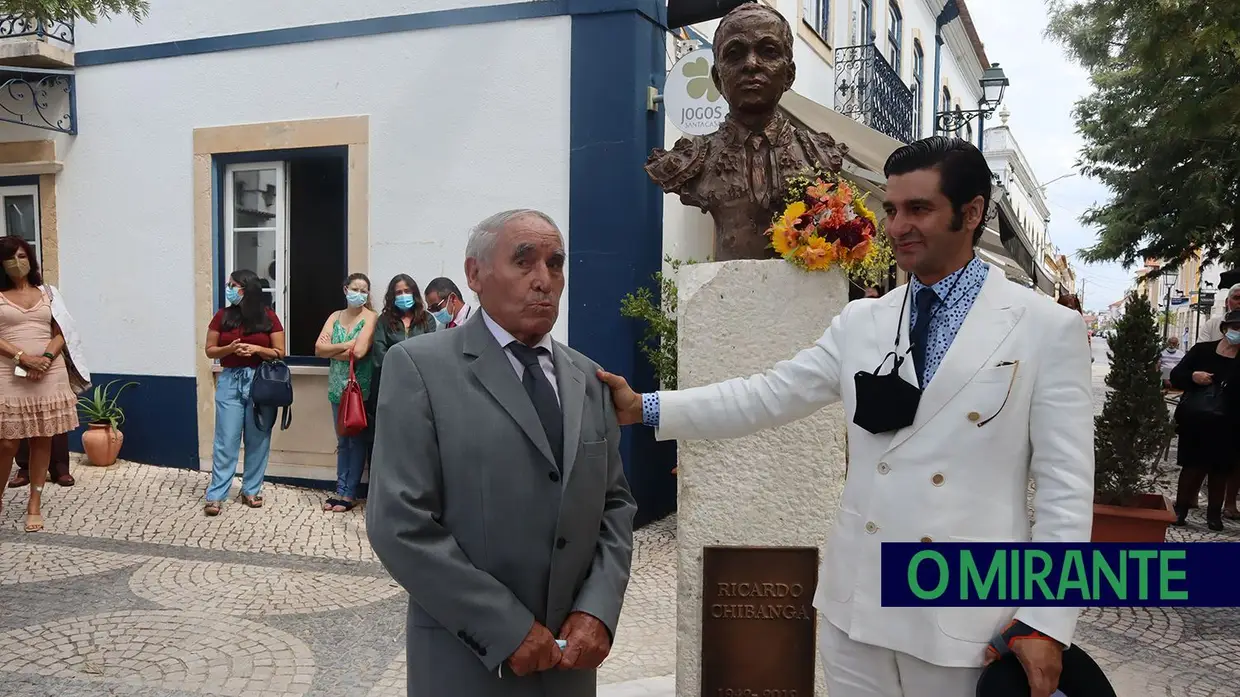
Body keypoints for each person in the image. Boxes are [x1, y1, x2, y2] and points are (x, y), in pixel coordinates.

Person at [599, 137, 1094, 697]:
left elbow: (1065, 491)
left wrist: (1046, 622)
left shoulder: (1043, 327)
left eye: (919, 209)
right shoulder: (864, 320)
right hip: (855, 609)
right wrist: (646, 408)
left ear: (972, 212)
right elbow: (767, 394)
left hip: (966, 621)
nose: (898, 225)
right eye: (891, 209)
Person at [366, 209, 637, 696]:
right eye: (524, 262)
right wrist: (504, 627)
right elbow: (400, 523)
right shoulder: (419, 368)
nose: (544, 281)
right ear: (474, 274)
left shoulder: (589, 379)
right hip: (466, 663)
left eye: (555, 264)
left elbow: (615, 506)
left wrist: (597, 609)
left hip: (569, 667)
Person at [0, 236, 83, 532]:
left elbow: (63, 329)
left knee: (42, 437)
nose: (17, 262)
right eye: (9, 257)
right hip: (9, 372)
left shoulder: (48, 292)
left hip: (49, 371)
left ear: (31, 259)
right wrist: (22, 357)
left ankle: (34, 503)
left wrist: (45, 357)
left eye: (22, 255)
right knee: (7, 441)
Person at [203, 269, 285, 515]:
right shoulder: (223, 316)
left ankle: (251, 489)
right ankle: (216, 494)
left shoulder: (268, 316)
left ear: (247, 288)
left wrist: (257, 349)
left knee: (258, 437)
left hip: (260, 380)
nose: (229, 288)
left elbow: (280, 352)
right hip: (229, 380)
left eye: (234, 284)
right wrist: (229, 348)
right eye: (229, 284)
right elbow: (210, 350)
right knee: (226, 439)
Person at [1167, 310, 1240, 531]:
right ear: (1225, 328)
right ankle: (1180, 511)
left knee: (1220, 470)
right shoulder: (1202, 351)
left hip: (1230, 422)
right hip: (1197, 419)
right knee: (1192, 467)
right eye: (1235, 327)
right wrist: (1193, 377)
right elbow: (1176, 374)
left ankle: (1214, 515)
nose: (1238, 332)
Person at [315, 273, 378, 513]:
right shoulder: (335, 316)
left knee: (356, 440)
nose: (359, 294)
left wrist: (334, 350)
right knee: (342, 441)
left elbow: (360, 352)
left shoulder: (371, 318)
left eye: (364, 291)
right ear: (345, 289)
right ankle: (339, 489)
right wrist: (345, 346)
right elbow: (319, 349)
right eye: (355, 289)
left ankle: (350, 493)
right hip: (336, 388)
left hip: (358, 389)